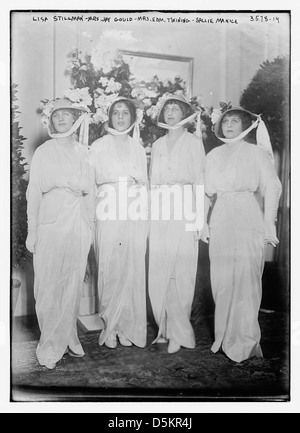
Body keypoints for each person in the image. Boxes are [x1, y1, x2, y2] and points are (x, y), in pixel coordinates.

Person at [201, 107, 282, 363]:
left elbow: (273, 186)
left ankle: (245, 340)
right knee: (222, 279)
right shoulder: (213, 155)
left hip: (247, 215)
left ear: (246, 125)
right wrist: (202, 222)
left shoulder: (256, 153)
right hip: (221, 216)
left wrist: (269, 223)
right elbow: (205, 191)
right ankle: (224, 337)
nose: (229, 124)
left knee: (247, 277)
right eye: (225, 120)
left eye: (235, 120)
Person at [26, 98, 94, 370]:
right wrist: (32, 231)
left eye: (67, 115)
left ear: (76, 118)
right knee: (49, 284)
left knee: (72, 283)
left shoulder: (84, 152)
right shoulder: (44, 151)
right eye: (57, 116)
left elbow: (91, 194)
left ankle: (68, 336)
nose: (62, 120)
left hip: (77, 222)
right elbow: (33, 194)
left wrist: (89, 227)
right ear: (50, 121)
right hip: (51, 221)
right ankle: (50, 344)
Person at [148, 94, 206, 354]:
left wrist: (200, 220)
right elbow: (151, 183)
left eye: (175, 108)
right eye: (167, 108)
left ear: (185, 114)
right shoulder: (158, 144)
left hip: (184, 206)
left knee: (180, 271)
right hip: (160, 208)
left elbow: (200, 182)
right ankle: (165, 328)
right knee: (160, 270)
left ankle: (181, 334)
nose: (170, 112)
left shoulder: (193, 143)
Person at [90, 97, 148, 349]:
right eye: (116, 113)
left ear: (133, 117)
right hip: (107, 204)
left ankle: (126, 326)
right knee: (109, 267)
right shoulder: (98, 145)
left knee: (130, 268)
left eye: (125, 113)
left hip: (132, 207)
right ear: (109, 117)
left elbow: (144, 182)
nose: (121, 117)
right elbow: (91, 182)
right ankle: (109, 327)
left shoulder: (137, 147)